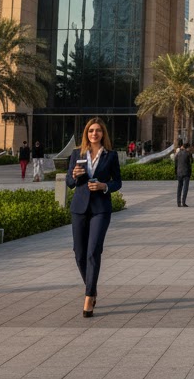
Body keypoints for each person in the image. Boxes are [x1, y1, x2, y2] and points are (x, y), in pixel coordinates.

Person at [66, 117, 122, 318]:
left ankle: (89, 296)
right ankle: (92, 287)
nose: (94, 134)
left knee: (93, 252)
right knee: (79, 254)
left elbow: (118, 182)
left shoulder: (110, 155)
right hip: (79, 208)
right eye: (91, 131)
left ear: (103, 133)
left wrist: (103, 186)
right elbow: (70, 183)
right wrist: (74, 174)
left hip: (100, 209)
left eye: (98, 130)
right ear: (86, 133)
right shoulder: (76, 154)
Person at [174, 140, 193, 206]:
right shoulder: (188, 154)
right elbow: (190, 163)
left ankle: (178, 202)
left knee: (179, 187)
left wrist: (176, 172)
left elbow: (175, 164)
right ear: (187, 147)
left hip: (179, 173)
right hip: (186, 173)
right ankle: (183, 202)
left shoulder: (178, 154)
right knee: (185, 188)